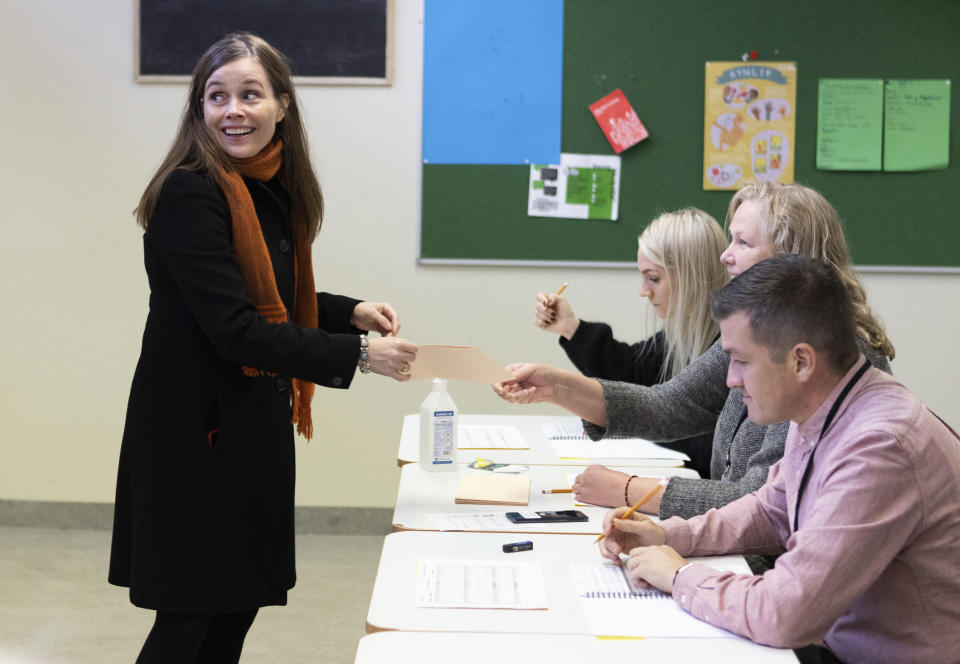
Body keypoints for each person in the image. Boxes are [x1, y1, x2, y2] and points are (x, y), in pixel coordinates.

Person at [108, 33, 418, 663]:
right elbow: (235, 328)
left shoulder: (267, 188)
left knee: (235, 610)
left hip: (247, 430)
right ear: (199, 110)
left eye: (250, 94)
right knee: (190, 618)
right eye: (216, 96)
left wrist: (345, 310)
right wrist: (356, 353)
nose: (233, 110)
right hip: (196, 441)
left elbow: (270, 294)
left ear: (282, 105)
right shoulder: (191, 191)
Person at [598, 254, 960, 664]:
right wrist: (668, 536)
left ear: (801, 361)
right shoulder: (828, 408)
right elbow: (773, 508)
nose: (731, 380)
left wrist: (679, 575)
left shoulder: (879, 447)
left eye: (741, 360)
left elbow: (783, 613)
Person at [494, 182, 892, 527]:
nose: (725, 255)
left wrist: (630, 491)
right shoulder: (758, 329)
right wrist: (556, 386)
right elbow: (666, 405)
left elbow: (762, 502)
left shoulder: (830, 355)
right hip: (740, 545)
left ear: (791, 256)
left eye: (742, 242)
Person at [533, 208, 729, 476]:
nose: (643, 291)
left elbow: (688, 428)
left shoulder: (730, 349)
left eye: (654, 278)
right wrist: (571, 327)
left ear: (690, 274)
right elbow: (633, 374)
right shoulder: (684, 335)